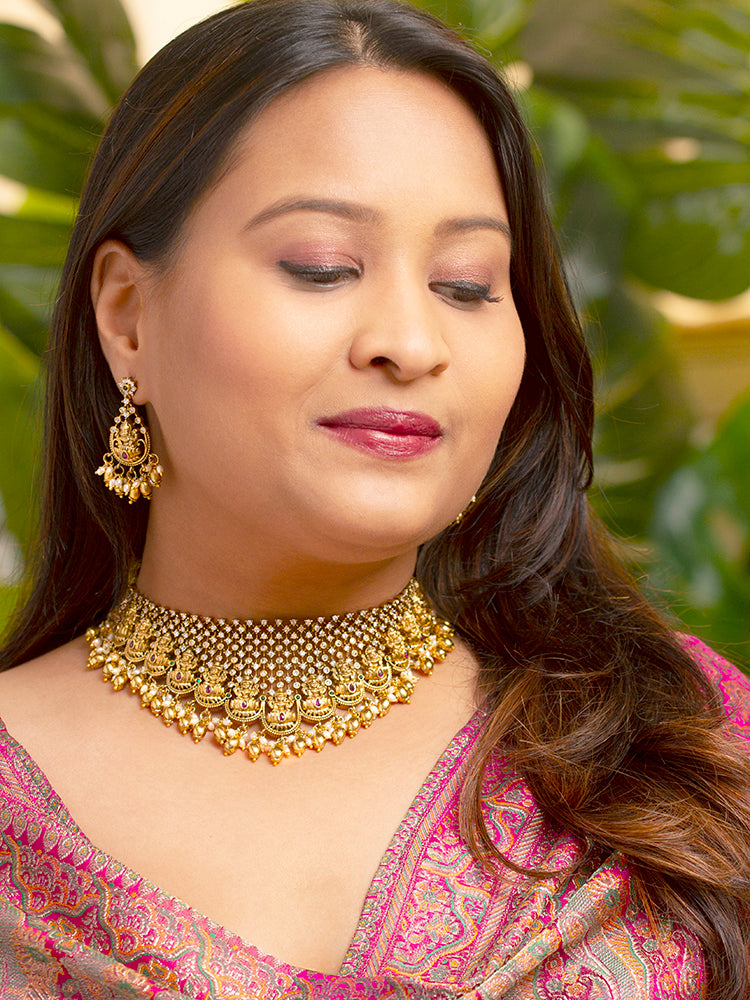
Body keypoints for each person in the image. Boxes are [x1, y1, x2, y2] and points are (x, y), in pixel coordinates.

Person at [0, 0, 748, 996]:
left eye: (470, 285)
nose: (411, 340)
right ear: (129, 317)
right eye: (322, 266)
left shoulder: (681, 750)